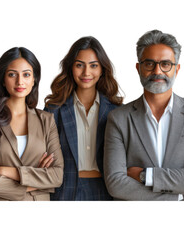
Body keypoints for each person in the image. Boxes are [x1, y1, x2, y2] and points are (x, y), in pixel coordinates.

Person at [103, 29, 184, 200]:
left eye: (165, 64)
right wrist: (177, 194)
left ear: (176, 69)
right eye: (149, 64)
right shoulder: (119, 118)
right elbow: (115, 183)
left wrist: (145, 175)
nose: (157, 71)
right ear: (138, 68)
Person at [0, 47, 64, 201]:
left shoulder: (46, 120)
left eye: (26, 75)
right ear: (3, 79)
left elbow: (57, 176)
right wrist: (36, 181)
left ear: (34, 79)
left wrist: (5, 171)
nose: (20, 81)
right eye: (12, 74)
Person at [44, 36, 123, 200]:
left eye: (93, 65)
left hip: (105, 191)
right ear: (71, 68)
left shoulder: (117, 111)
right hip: (64, 190)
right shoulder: (54, 110)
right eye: (79, 65)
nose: (86, 72)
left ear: (102, 69)